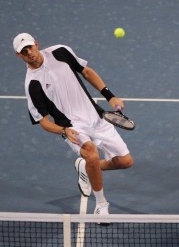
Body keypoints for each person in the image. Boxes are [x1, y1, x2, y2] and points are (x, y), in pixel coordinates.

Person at [13, 33, 133, 215]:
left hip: (96, 116)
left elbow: (86, 71)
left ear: (36, 44)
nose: (29, 52)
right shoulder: (32, 84)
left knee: (125, 162)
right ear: (19, 55)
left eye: (30, 47)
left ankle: (85, 167)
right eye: (23, 51)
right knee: (91, 153)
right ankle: (101, 205)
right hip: (71, 126)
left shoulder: (60, 52)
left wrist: (110, 96)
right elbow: (43, 122)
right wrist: (64, 130)